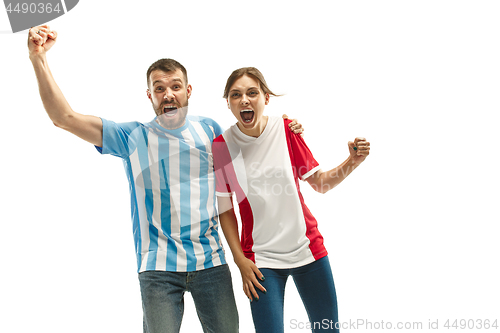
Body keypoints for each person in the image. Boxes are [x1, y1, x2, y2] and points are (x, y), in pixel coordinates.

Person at [27, 26, 303, 333]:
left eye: (175, 86)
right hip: (157, 268)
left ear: (188, 91)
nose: (167, 93)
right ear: (150, 95)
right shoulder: (131, 136)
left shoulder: (211, 130)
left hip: (210, 263)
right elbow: (63, 118)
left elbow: (235, 185)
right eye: (159, 88)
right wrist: (38, 58)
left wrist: (286, 126)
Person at [213, 67, 370, 333]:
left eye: (252, 93)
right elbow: (225, 210)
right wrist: (240, 261)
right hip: (260, 261)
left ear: (266, 98)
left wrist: (352, 161)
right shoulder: (222, 146)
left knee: (327, 330)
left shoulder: (286, 130)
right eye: (236, 94)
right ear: (227, 102)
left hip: (307, 250)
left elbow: (320, 183)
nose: (244, 100)